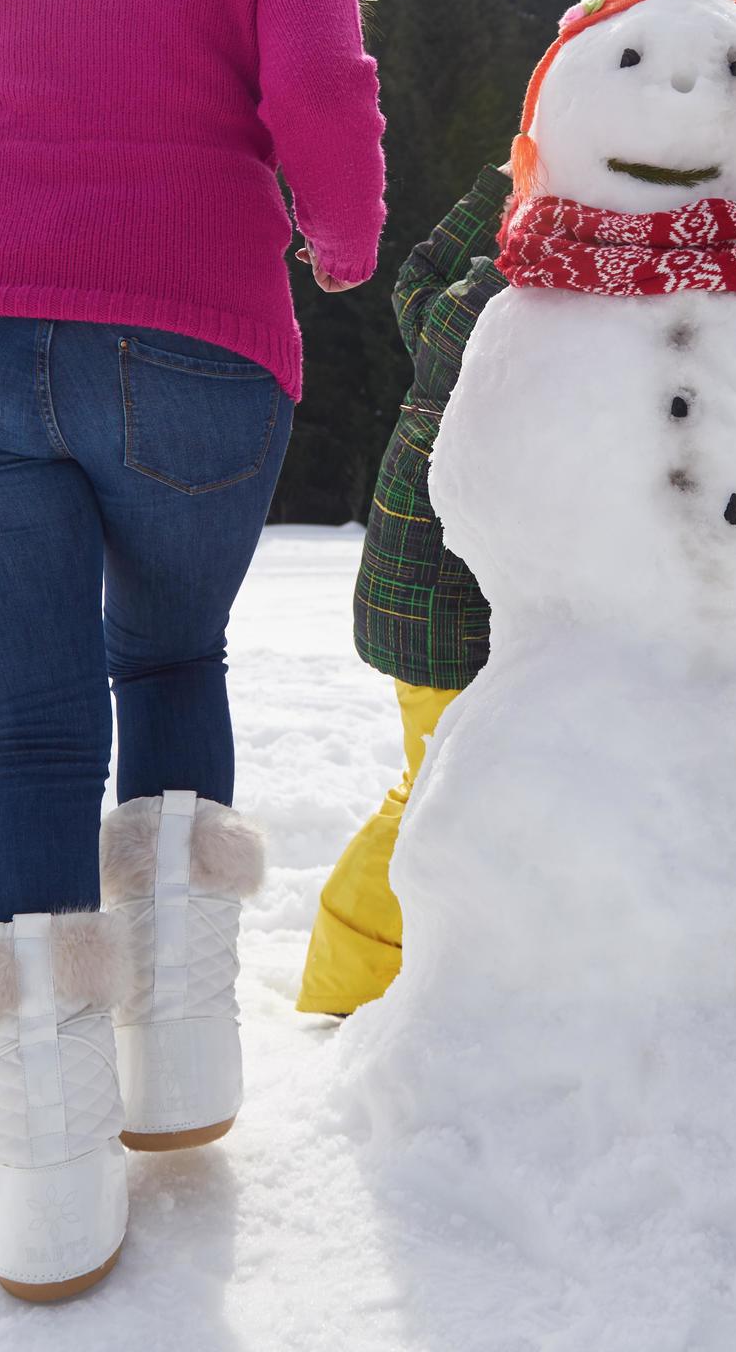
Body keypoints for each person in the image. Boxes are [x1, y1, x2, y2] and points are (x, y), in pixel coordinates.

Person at [0, 0, 385, 1303]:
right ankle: (180, 1073)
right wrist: (343, 241)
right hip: (189, 358)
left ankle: (41, 1202)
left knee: (31, 733)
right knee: (167, 659)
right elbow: (324, 101)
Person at [299, 156, 511, 1017]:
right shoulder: (516, 306)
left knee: (441, 783)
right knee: (437, 790)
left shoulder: (457, 302)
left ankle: (381, 972)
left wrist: (499, 181)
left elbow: (418, 275)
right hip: (446, 605)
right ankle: (349, 979)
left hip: (422, 595)